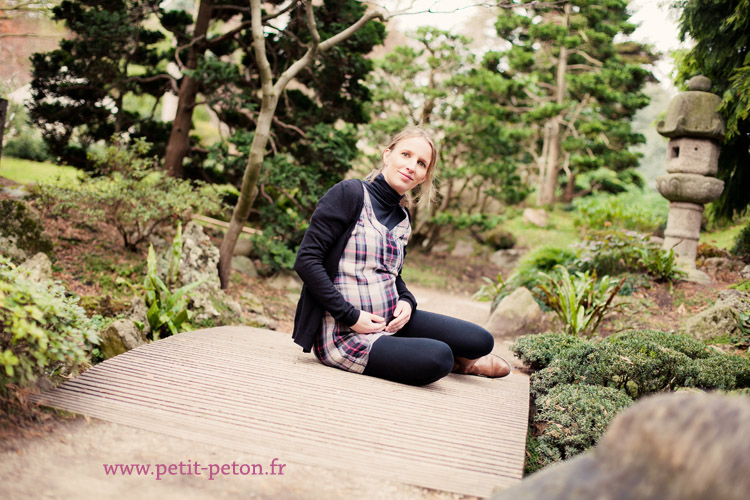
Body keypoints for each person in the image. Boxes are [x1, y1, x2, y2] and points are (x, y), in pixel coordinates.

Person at [292, 126, 511, 386]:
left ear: (424, 176)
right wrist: (351, 316)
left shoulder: (403, 218)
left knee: (480, 340)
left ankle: (416, 350)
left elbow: (392, 274)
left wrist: (406, 300)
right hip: (345, 331)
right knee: (438, 358)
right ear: (388, 155)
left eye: (421, 163)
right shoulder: (349, 194)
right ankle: (451, 362)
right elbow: (306, 260)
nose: (411, 166)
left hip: (391, 320)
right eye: (405, 154)